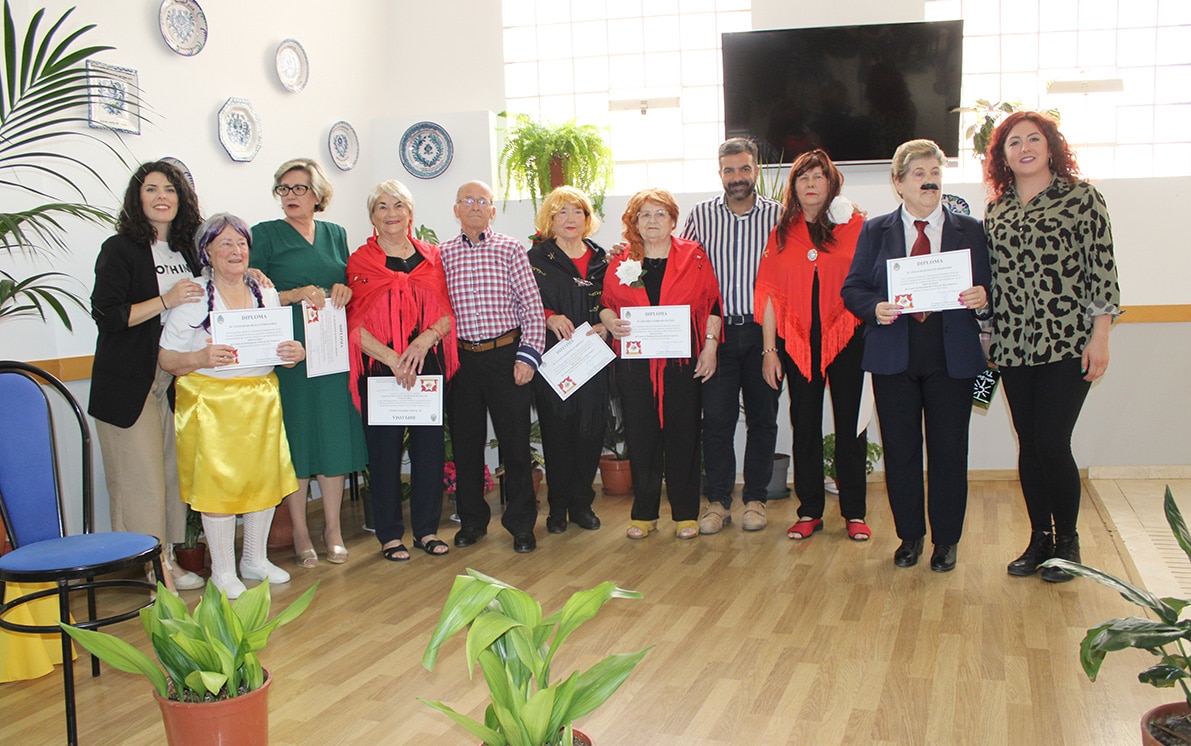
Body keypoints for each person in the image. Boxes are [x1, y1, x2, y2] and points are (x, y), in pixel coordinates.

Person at [841, 139, 991, 572]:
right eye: (920, 174)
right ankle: (910, 537)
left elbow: (991, 293)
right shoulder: (876, 231)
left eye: (936, 174)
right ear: (898, 183)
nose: (930, 182)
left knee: (948, 453)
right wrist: (875, 308)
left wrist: (982, 297)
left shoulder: (971, 230)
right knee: (902, 453)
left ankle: (946, 541)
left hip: (952, 358)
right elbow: (853, 289)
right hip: (895, 357)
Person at [982, 111, 1120, 583]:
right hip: (1014, 346)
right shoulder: (996, 210)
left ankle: (1068, 543)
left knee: (1051, 441)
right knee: (1029, 444)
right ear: (1002, 156)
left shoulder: (1082, 199)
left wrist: (1100, 336)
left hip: (1067, 344)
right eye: (1013, 142)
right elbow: (992, 280)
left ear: (1050, 145)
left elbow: (1102, 271)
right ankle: (1039, 539)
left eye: (1033, 139)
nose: (1024, 147)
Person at [160, 214, 305, 599]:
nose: (235, 251)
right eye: (224, 243)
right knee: (218, 486)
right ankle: (223, 570)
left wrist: (295, 352)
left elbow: (283, 347)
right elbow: (166, 359)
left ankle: (253, 560)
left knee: (263, 480)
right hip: (211, 405)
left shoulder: (265, 291)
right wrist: (202, 357)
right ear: (206, 250)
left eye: (241, 243)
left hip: (260, 398)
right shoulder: (193, 297)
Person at [89, 161, 206, 593]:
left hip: (174, 380)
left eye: (170, 189)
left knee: (171, 477)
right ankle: (151, 568)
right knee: (142, 483)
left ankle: (168, 560)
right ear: (137, 199)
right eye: (152, 189)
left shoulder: (187, 251)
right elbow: (109, 315)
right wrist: (166, 298)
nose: (162, 196)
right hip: (129, 383)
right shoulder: (119, 248)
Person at [250, 158, 368, 568]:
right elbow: (252, 291)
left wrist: (344, 289)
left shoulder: (335, 234)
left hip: (331, 350)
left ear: (318, 194)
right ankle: (300, 531)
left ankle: (332, 528)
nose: (290, 196)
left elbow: (351, 282)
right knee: (297, 440)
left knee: (333, 438)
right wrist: (295, 292)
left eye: (298, 188)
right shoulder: (264, 235)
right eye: (283, 189)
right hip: (290, 354)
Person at [756, 149, 869, 543]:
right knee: (803, 425)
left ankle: (854, 511)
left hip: (848, 338)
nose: (809, 184)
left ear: (831, 182)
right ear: (794, 186)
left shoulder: (856, 224)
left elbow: (870, 282)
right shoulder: (782, 231)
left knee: (850, 425)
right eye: (802, 177)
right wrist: (770, 351)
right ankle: (809, 512)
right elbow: (768, 294)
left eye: (818, 176)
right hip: (798, 341)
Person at [600, 189, 722, 541]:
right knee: (641, 437)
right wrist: (609, 321)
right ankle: (644, 514)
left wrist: (710, 348)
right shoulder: (623, 260)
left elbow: (712, 303)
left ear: (672, 220)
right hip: (636, 364)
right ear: (634, 222)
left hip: (682, 362)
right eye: (644, 215)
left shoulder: (694, 257)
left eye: (659, 214)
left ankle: (685, 514)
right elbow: (606, 303)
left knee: (684, 435)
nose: (652, 221)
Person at [346, 180, 457, 561]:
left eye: (398, 205)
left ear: (410, 213)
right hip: (380, 369)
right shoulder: (360, 262)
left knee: (428, 451)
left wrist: (422, 342)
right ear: (372, 216)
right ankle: (390, 535)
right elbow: (352, 325)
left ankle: (426, 530)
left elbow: (446, 313)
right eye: (381, 206)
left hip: (426, 365)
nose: (391, 213)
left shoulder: (433, 258)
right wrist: (394, 359)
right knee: (384, 453)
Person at [681, 138, 783, 535]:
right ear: (720, 173)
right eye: (729, 170)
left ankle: (755, 498)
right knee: (717, 422)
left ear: (755, 170)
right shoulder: (701, 216)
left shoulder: (779, 217)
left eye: (744, 169)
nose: (737, 177)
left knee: (763, 419)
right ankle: (718, 502)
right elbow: (681, 264)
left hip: (765, 335)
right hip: (716, 336)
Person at [439, 181, 547, 553]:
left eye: (482, 201)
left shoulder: (511, 249)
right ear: (456, 209)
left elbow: (532, 308)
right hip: (462, 361)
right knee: (467, 447)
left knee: (516, 446)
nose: (474, 206)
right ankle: (472, 522)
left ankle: (520, 525)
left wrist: (528, 356)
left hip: (507, 357)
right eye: (466, 200)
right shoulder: (442, 255)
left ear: (492, 210)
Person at [527, 187, 609, 534]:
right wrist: (548, 316)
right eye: (562, 212)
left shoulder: (603, 258)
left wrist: (607, 323)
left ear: (588, 220)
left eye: (578, 212)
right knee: (557, 432)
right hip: (553, 357)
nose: (570, 219)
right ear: (551, 219)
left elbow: (617, 297)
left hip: (593, 358)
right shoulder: (536, 257)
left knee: (590, 433)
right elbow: (524, 300)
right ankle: (557, 507)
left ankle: (581, 504)